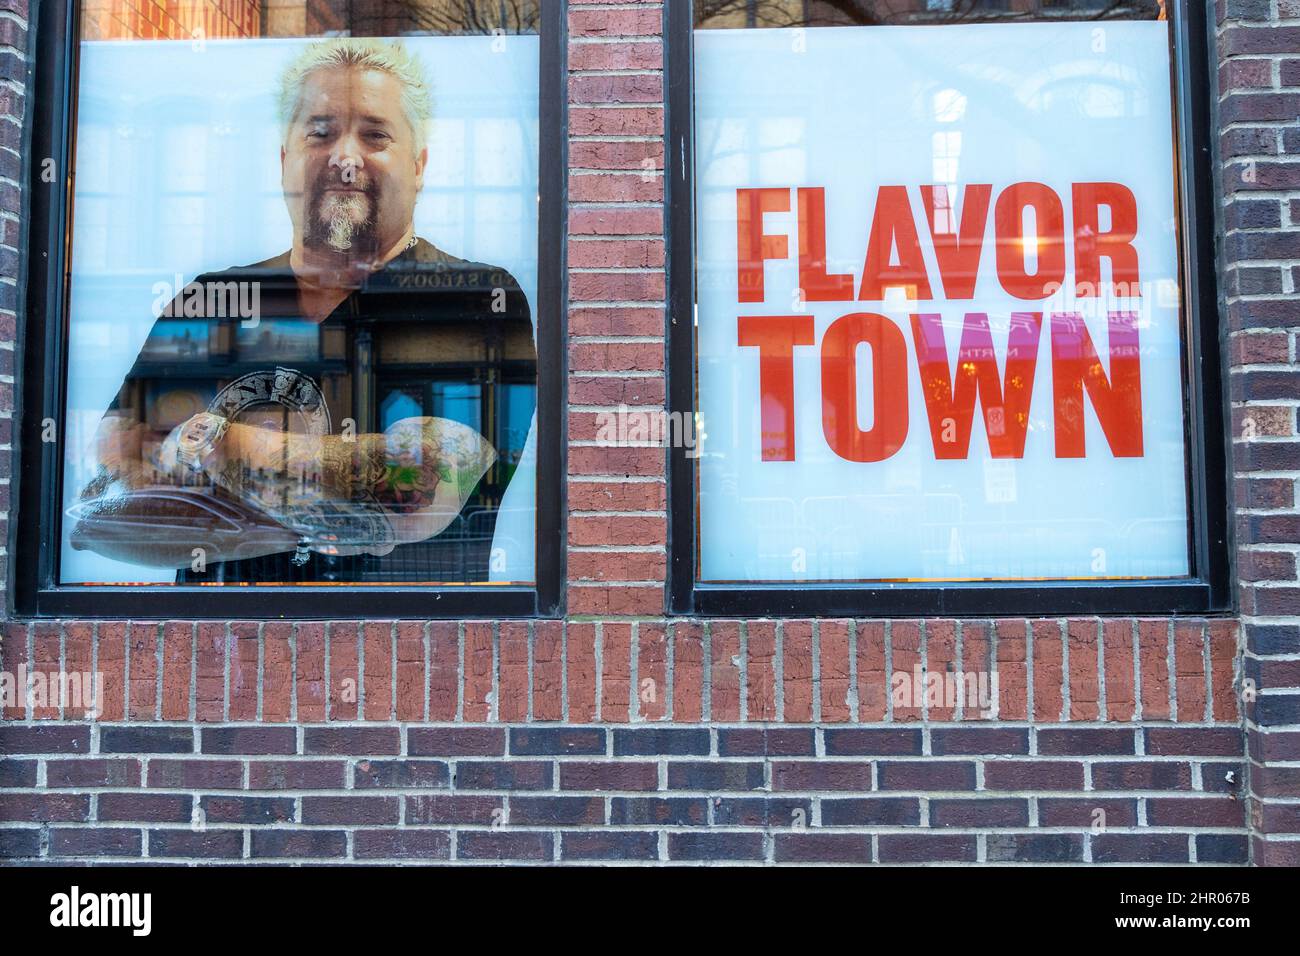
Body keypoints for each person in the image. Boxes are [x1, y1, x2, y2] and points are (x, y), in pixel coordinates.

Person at [72, 37, 536, 584]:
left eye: (374, 134)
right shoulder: (208, 302)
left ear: (419, 165)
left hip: (403, 650)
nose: (344, 156)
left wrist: (214, 445)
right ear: (285, 160)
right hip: (216, 654)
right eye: (320, 132)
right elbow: (109, 498)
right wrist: (327, 502)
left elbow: (417, 490)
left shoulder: (473, 298)